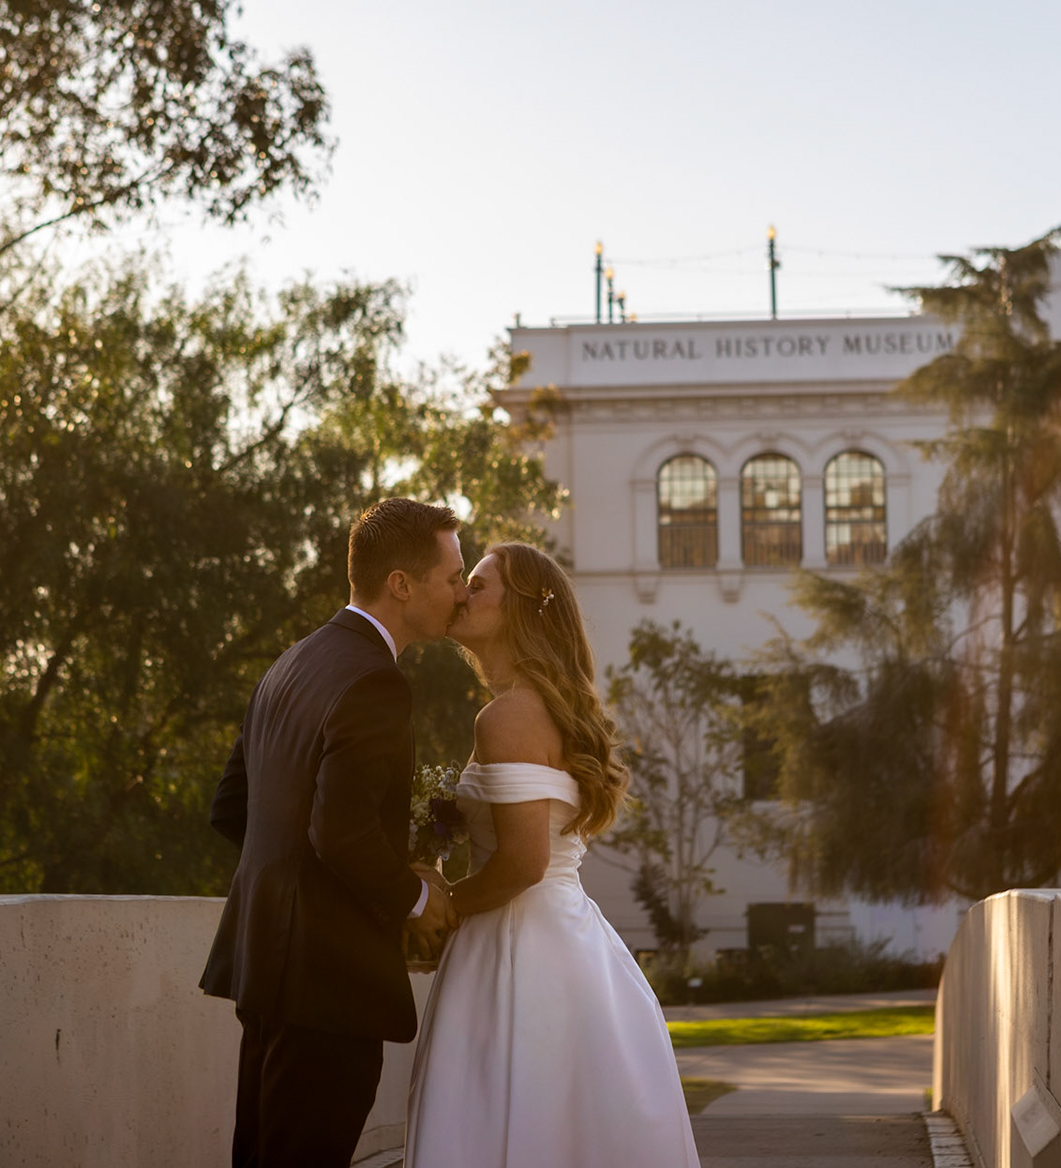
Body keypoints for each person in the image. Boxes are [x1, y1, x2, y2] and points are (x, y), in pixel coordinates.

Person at [405, 541, 702, 1168]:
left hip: (518, 947)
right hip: (568, 940)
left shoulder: (507, 717)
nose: (462, 594)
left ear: (519, 609)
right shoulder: (546, 708)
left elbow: (522, 864)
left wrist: (440, 906)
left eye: (478, 585)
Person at [200, 498, 466, 1168]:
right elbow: (341, 833)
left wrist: (295, 896)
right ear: (401, 584)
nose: (461, 593)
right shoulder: (376, 681)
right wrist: (414, 898)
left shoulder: (290, 663)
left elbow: (233, 808)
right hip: (328, 985)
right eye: (452, 577)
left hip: (265, 966)